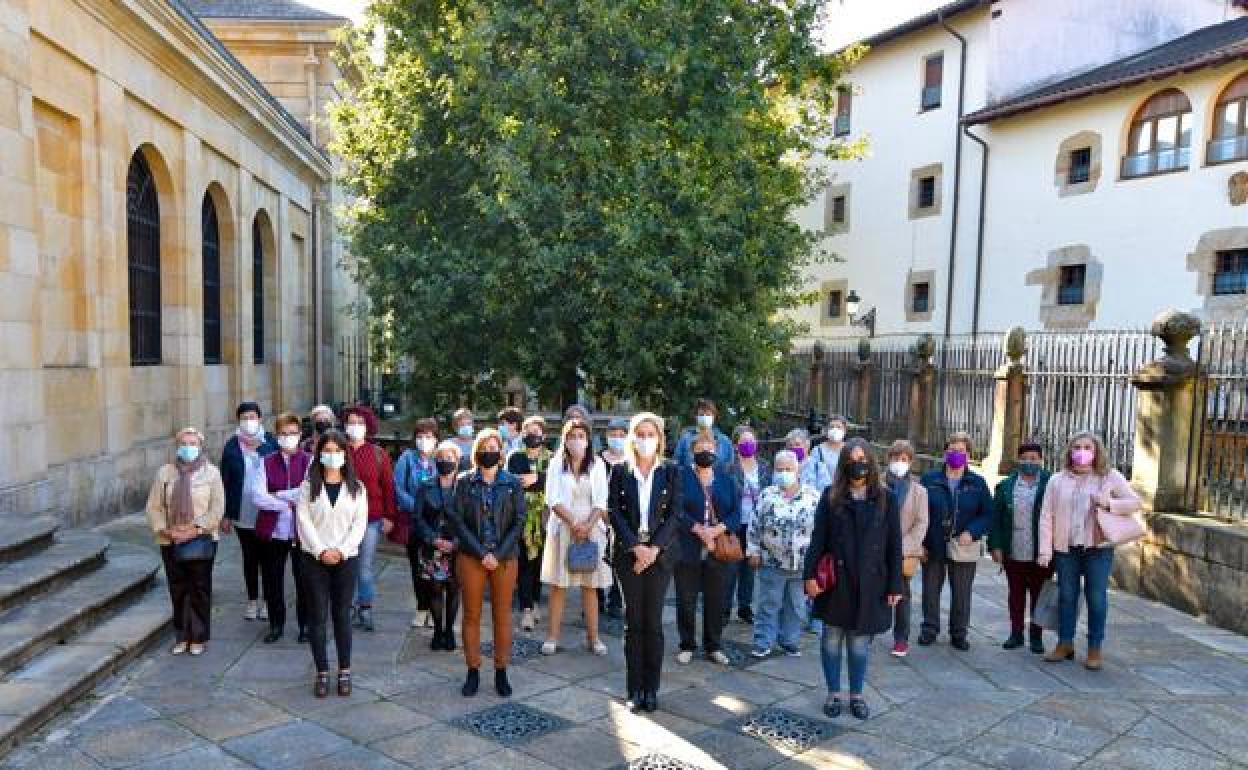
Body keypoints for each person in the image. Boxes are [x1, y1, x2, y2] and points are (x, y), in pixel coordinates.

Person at [803, 437, 902, 721]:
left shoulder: (887, 498)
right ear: (843, 466)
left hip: (870, 583)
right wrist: (809, 576)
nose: (857, 466)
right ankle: (833, 692)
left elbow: (895, 545)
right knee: (830, 641)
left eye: (862, 460)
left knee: (859, 644)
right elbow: (817, 539)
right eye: (851, 461)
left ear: (870, 463)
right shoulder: (830, 497)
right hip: (836, 582)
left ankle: (856, 694)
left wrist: (895, 584)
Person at [1038, 431, 1141, 671]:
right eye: (1077, 447)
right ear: (1069, 451)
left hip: (1097, 549)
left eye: (1087, 447)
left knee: (1096, 598)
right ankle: (1065, 643)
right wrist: (1045, 550)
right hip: (1066, 549)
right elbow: (1046, 516)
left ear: (1096, 452)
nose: (1081, 452)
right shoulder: (1057, 480)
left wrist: (1108, 503)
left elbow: (1135, 503)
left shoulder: (1109, 477)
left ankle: (1095, 647)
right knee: (1066, 597)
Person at [608, 412, 683, 713]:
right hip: (629, 556)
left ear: (660, 439)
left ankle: (651, 690)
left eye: (651, 434)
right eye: (640, 433)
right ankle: (633, 689)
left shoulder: (672, 471)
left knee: (653, 624)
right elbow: (614, 512)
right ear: (632, 438)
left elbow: (676, 514)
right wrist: (636, 548)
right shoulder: (620, 471)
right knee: (632, 623)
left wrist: (652, 549)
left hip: (660, 557)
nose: (645, 439)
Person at [448, 428, 525, 698]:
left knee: (502, 615)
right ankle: (473, 670)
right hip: (472, 556)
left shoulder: (512, 483)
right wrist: (481, 553)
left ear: (501, 452)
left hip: (504, 558)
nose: (490, 451)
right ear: (477, 451)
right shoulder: (464, 481)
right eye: (485, 447)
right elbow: (456, 520)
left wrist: (498, 554)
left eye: (495, 447)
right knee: (471, 615)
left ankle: (501, 671)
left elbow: (519, 522)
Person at [296, 429, 369, 698]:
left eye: (337, 451)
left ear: (345, 454)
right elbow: (303, 521)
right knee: (318, 616)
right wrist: (321, 550)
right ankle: (322, 671)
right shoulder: (308, 486)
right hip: (314, 558)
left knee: (342, 615)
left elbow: (359, 524)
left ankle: (345, 670)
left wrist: (341, 550)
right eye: (326, 450)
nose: (332, 456)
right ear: (319, 454)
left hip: (345, 558)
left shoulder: (356, 488)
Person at [146, 427, 225, 657]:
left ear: (200, 447)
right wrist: (166, 530)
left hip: (200, 538)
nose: (188, 448)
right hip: (171, 539)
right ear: (177, 446)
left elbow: (218, 508)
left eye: (193, 443)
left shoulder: (211, 473)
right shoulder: (165, 473)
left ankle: (198, 637)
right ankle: (182, 635)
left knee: (199, 589)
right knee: (178, 589)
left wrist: (196, 529)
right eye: (184, 443)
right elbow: (154, 506)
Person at [539, 418, 612, 655]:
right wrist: (573, 523)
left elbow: (602, 500)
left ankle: (594, 638)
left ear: (589, 440)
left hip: (591, 528)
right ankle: (552, 637)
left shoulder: (598, 464)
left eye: (581, 436)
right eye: (572, 436)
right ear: (565, 439)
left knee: (590, 587)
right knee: (559, 586)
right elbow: (552, 498)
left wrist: (588, 525)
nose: (577, 440)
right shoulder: (556, 464)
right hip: (564, 527)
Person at [918, 432, 993, 651]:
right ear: (944, 452)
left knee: (962, 591)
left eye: (961, 451)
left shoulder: (977, 483)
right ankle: (929, 628)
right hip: (933, 543)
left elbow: (988, 514)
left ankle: (959, 632)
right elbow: (920, 512)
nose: (956, 454)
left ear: (968, 455)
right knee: (930, 589)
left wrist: (973, 531)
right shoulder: (929, 479)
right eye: (952, 449)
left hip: (963, 546)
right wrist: (920, 543)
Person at [673, 431, 741, 665]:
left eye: (710, 449)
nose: (706, 453)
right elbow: (675, 510)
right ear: (692, 451)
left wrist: (716, 529)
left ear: (717, 452)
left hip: (717, 547)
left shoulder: (726, 479)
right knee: (686, 597)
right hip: (687, 546)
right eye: (701, 448)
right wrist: (697, 528)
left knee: (716, 599)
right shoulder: (681, 476)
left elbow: (736, 513)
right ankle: (687, 644)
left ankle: (714, 645)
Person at [746, 449, 818, 657]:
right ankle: (763, 641)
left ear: (797, 470)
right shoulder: (767, 495)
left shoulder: (812, 497)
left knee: (796, 605)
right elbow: (754, 525)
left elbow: (821, 529)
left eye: (789, 469)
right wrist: (753, 551)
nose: (784, 473)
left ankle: (789, 640)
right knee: (769, 603)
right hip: (772, 561)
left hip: (801, 563)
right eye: (780, 469)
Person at [251, 413, 313, 644]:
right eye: (283, 434)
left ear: (299, 435)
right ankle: (276, 624)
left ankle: (305, 625)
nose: (288, 438)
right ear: (276, 436)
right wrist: (286, 501)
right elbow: (257, 496)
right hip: (273, 530)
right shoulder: (265, 461)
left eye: (292, 433)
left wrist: (277, 495)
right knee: (272, 580)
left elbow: (307, 492)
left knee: (304, 580)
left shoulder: (310, 461)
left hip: (301, 531)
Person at [342, 405, 402, 632]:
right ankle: (345, 605)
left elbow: (388, 487)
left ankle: (364, 606)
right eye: (351, 422)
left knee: (364, 566)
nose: (354, 426)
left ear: (368, 426)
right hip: (342, 518)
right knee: (345, 564)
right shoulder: (339, 450)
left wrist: (390, 516)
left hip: (371, 517)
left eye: (359, 422)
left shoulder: (378, 454)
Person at [990, 442, 1052, 654]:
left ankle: (1036, 635)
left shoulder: (1050, 484)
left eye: (1034, 458)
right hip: (1014, 548)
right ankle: (1016, 633)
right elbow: (995, 518)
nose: (1029, 462)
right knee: (1015, 593)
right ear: (1018, 460)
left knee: (1038, 593)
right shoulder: (1006, 486)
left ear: (1041, 461)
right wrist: (995, 545)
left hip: (1041, 550)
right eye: (1025, 458)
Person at [220, 401, 278, 621]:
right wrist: (226, 514)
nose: (249, 421)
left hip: (267, 513)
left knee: (268, 559)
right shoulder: (232, 447)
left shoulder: (270, 442)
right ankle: (252, 600)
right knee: (249, 558)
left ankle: (266, 600)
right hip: (242, 513)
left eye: (252, 417)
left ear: (260, 419)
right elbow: (225, 480)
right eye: (244, 417)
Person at [413, 440, 463, 651]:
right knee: (434, 589)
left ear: (457, 461)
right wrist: (433, 539)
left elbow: (471, 518)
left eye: (449, 459)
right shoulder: (426, 485)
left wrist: (457, 542)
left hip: (457, 547)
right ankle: (437, 630)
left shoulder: (464, 487)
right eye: (441, 458)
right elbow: (417, 517)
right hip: (432, 546)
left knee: (454, 589)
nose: (445, 462)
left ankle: (450, 630)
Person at [883, 440, 929, 658]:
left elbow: (921, 522)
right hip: (877, 549)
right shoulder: (878, 485)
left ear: (910, 462)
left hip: (903, 553)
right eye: (895, 458)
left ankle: (901, 638)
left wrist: (903, 547)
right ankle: (870, 628)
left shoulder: (919, 491)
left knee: (901, 595)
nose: (899, 463)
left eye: (904, 459)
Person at [507, 415, 551, 632]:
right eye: (529, 432)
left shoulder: (552, 458)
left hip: (546, 518)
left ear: (544, 434)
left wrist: (538, 479)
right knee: (524, 563)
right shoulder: (515, 456)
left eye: (537, 432)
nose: (533, 436)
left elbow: (555, 483)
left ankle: (534, 600)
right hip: (522, 518)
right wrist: (536, 481)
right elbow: (514, 482)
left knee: (540, 564)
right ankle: (526, 608)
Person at [396, 418, 440, 629]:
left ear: (436, 439)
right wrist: (418, 508)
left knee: (435, 567)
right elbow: (398, 488)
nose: (424, 440)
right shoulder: (407, 458)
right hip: (414, 521)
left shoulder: (441, 458)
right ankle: (421, 607)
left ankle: (434, 608)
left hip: (436, 524)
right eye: (420, 436)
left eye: (429, 436)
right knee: (417, 567)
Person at [725, 425, 770, 625]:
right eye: (744, 442)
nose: (748, 445)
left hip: (755, 526)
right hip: (735, 524)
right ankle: (724, 608)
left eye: (751, 441)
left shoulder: (765, 466)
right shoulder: (728, 468)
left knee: (749, 569)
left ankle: (745, 606)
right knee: (730, 569)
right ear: (736, 445)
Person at [598, 417, 630, 619]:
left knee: (620, 558)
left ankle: (616, 600)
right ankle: (597, 598)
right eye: (613, 435)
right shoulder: (597, 460)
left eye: (621, 435)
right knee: (599, 558)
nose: (617, 438)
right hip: (598, 515)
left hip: (622, 517)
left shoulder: (631, 461)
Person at [672, 399, 735, 469]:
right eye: (701, 415)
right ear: (696, 417)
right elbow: (676, 462)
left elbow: (730, 466)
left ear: (714, 417)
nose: (705, 417)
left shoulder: (725, 441)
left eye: (708, 415)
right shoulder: (685, 439)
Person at [801, 415, 848, 495]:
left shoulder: (849, 449)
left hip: (845, 494)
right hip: (822, 494)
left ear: (845, 430)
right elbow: (810, 475)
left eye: (838, 427)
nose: (835, 429)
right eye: (831, 427)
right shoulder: (817, 451)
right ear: (826, 430)